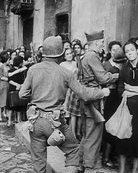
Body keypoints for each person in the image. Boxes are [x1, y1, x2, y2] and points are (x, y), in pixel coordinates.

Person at [19, 35, 110, 173]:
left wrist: (37, 96)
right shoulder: (66, 73)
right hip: (55, 122)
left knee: (39, 161)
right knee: (73, 150)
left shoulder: (32, 69)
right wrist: (101, 92)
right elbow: (84, 94)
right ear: (61, 54)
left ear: (43, 53)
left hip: (35, 120)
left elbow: (22, 94)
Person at [73, 30, 118, 173]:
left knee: (86, 134)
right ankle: (89, 167)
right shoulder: (93, 56)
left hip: (86, 97)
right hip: (94, 99)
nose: (102, 47)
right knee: (94, 135)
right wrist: (116, 75)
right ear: (97, 43)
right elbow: (103, 78)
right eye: (101, 44)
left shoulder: (84, 56)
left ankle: (80, 164)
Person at [115, 41, 138, 173]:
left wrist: (130, 88)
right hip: (126, 107)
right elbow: (120, 89)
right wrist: (135, 90)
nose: (130, 53)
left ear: (137, 51)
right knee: (123, 138)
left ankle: (135, 170)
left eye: (132, 50)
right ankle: (122, 169)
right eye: (127, 51)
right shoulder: (124, 69)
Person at [102, 41, 126, 168]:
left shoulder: (123, 64)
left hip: (119, 97)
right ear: (110, 51)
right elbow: (102, 80)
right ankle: (106, 157)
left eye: (119, 49)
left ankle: (114, 155)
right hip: (110, 97)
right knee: (109, 126)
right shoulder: (106, 64)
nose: (117, 51)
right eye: (114, 49)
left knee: (119, 126)